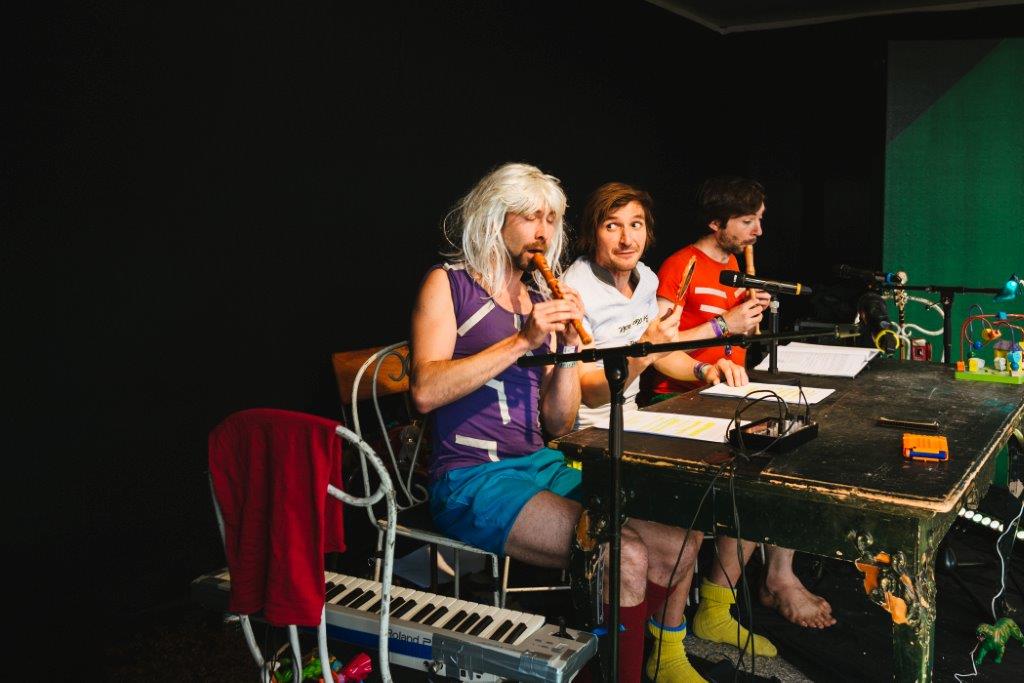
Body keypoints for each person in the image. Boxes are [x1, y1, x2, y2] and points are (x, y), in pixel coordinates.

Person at [409, 163, 702, 683]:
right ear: (494, 218)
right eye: (530, 217)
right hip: (470, 477)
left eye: (551, 218)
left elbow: (559, 423)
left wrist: (566, 350)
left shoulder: (539, 296)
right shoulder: (449, 283)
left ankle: (614, 658)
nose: (542, 231)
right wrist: (523, 341)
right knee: (624, 557)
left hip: (538, 463)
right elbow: (425, 391)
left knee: (675, 540)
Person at [563, 181, 751, 681]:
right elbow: (588, 393)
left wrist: (704, 370)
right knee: (680, 521)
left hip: (634, 422)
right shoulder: (574, 289)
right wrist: (644, 349)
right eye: (613, 226)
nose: (627, 238)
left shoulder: (644, 279)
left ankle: (662, 647)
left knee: (697, 511)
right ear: (592, 233)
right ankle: (629, 643)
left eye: (636, 225)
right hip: (584, 437)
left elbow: (662, 354)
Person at [654, 176, 836, 637]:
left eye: (759, 220)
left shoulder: (736, 264)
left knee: (782, 458)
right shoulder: (681, 265)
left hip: (730, 396)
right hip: (679, 399)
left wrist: (752, 317)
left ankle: (724, 600)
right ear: (717, 223)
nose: (758, 231)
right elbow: (656, 345)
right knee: (741, 476)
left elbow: (741, 339)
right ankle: (709, 608)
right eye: (747, 221)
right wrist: (724, 323)